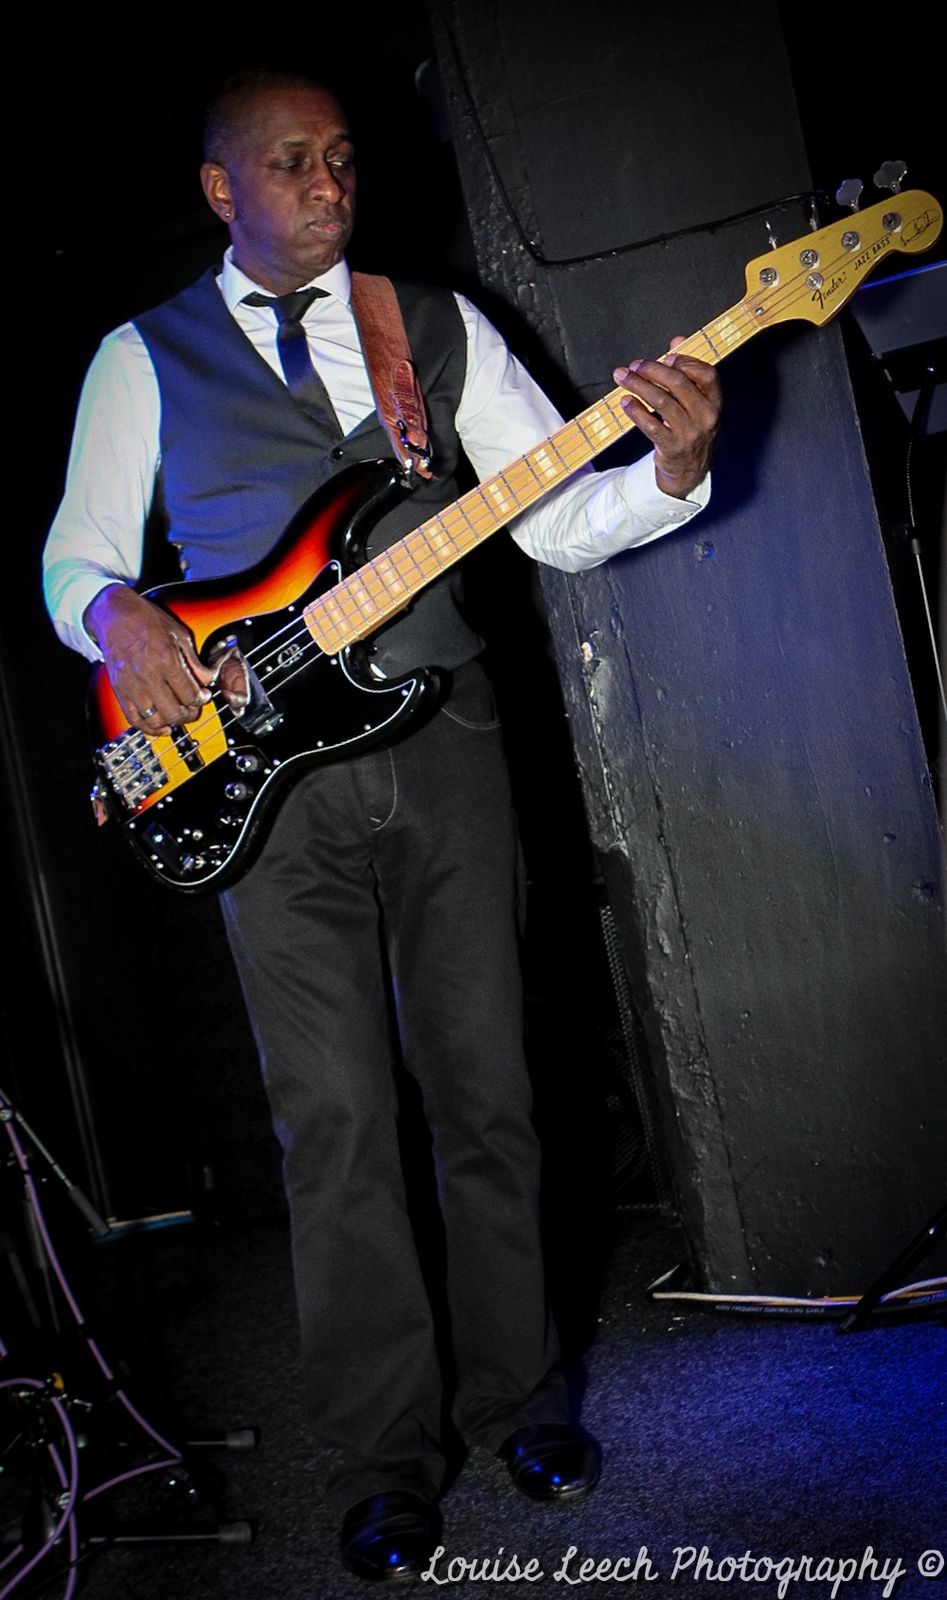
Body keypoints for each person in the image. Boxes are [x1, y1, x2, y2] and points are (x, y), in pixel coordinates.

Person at [44, 69, 721, 1584]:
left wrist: (671, 472)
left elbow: (557, 520)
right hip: (261, 779)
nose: (328, 182)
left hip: (447, 741)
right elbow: (72, 558)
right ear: (222, 189)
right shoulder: (139, 358)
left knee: (489, 1088)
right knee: (336, 1120)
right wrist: (113, 613)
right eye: (291, 161)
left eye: (342, 158)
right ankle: (381, 1462)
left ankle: (523, 1405)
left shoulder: (434, 325)